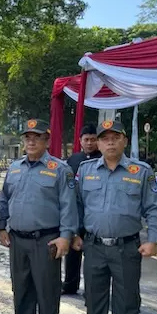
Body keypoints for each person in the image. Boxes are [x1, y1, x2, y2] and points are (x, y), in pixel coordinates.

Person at [73, 120, 157, 314]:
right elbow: (76, 205)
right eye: (104, 138)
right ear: (98, 143)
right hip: (94, 246)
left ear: (124, 141)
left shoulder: (141, 171)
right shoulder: (86, 170)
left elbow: (154, 208)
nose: (110, 142)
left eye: (115, 137)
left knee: (126, 299)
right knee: (94, 295)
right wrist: (74, 233)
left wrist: (152, 239)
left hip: (127, 247)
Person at [0, 119, 78, 314]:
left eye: (37, 137)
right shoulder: (14, 168)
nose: (31, 141)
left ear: (47, 140)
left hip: (46, 239)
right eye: (28, 137)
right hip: (17, 238)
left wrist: (66, 236)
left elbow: (68, 206)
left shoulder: (60, 169)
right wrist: (2, 226)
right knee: (20, 284)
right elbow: (4, 199)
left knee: (47, 287)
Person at [62, 124, 101, 296]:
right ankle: (70, 284)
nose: (90, 143)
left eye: (93, 139)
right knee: (72, 250)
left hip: (94, 212)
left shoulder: (104, 159)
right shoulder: (74, 160)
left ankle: (91, 288)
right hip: (75, 212)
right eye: (87, 140)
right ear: (80, 141)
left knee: (92, 254)